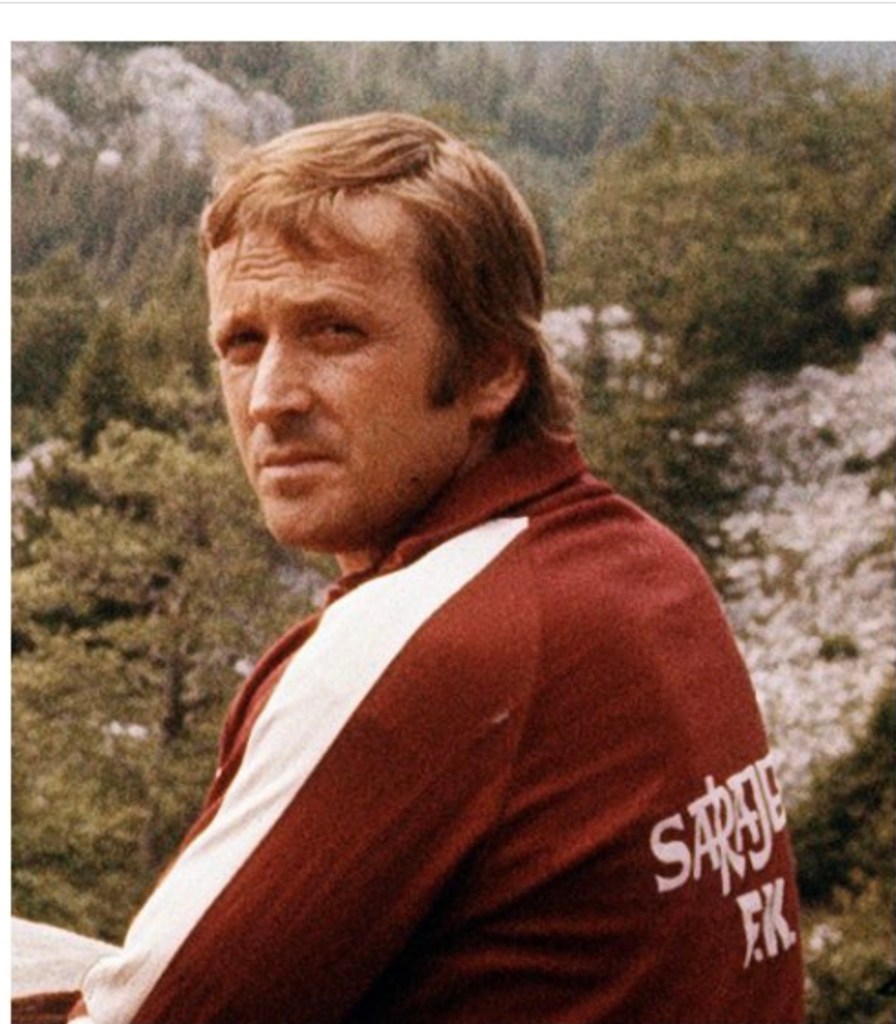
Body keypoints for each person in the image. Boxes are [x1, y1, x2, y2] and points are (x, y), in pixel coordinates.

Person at [56, 111, 803, 1023]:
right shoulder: (645, 564)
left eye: (335, 332)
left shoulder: (427, 645)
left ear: (492, 371)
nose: (270, 398)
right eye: (242, 343)